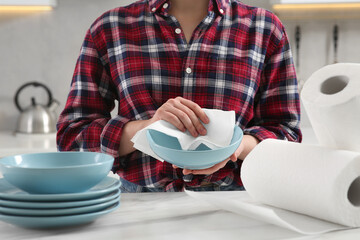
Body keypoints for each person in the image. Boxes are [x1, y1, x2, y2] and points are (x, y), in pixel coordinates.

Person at [57, 0, 302, 192]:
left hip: (235, 205)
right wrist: (146, 128)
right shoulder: (110, 28)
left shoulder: (265, 29)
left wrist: (233, 147)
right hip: (138, 212)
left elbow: (287, 137)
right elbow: (71, 139)